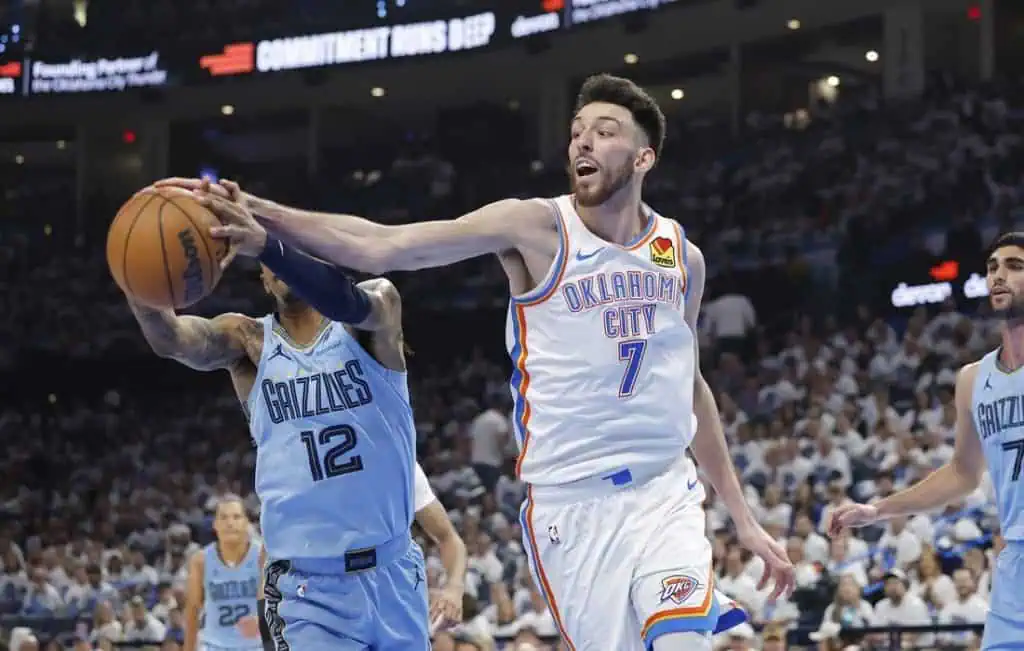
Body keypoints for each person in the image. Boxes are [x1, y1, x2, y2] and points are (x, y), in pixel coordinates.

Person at [161, 72, 793, 651]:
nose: (584, 141)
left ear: (643, 157)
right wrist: (263, 217)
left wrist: (742, 518)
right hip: (574, 506)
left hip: (665, 492)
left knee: (682, 642)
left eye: (605, 132)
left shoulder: (681, 256)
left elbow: (690, 387)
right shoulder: (535, 228)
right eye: (577, 131)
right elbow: (385, 245)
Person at [124, 252, 428, 649]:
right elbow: (173, 340)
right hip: (310, 589)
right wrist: (139, 280)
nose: (283, 259)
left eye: (293, 248)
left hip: (395, 572)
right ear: (264, 281)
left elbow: (375, 298)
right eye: (272, 254)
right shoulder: (248, 341)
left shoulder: (367, 320)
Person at [829, 231, 1024, 651]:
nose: (999, 276)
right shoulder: (972, 380)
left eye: (1015, 266)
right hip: (1014, 566)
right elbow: (962, 474)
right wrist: (877, 510)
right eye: (992, 267)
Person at [184, 496, 261, 651]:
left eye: (236, 517)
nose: (230, 523)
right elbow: (192, 611)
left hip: (256, 646)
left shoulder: (263, 556)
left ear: (246, 522)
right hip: (215, 646)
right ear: (215, 524)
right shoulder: (200, 561)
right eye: (223, 517)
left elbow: (275, 604)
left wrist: (262, 620)